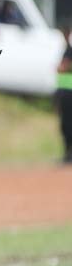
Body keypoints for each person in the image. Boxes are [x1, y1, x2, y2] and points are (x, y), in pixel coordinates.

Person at [57, 26, 72, 164]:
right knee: (64, 125)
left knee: (68, 124)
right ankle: (67, 153)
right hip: (63, 90)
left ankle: (69, 154)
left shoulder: (69, 50)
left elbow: (63, 67)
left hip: (69, 92)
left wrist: (61, 68)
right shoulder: (65, 50)